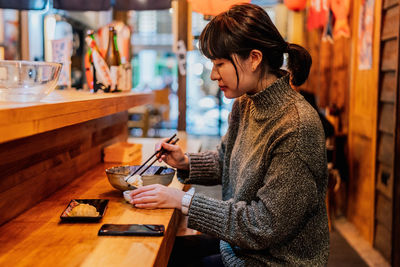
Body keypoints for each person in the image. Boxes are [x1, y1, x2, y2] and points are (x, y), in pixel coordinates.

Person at [129, 3, 329, 266]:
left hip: (274, 259)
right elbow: (228, 160)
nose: (213, 74)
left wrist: (182, 199)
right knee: (157, 250)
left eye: (220, 63)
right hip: (241, 246)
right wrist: (185, 162)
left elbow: (264, 225)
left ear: (255, 58)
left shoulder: (297, 126)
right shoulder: (246, 103)